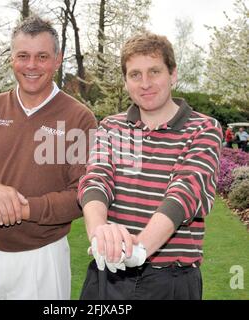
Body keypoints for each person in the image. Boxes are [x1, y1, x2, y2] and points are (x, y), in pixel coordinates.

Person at [0, 15, 97, 300]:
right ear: (11, 59)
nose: (31, 65)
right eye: (23, 56)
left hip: (44, 256)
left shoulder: (79, 118)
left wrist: (20, 207)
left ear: (57, 59)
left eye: (42, 56)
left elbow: (83, 194)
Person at [77, 32, 223, 300]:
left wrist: (139, 249)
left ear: (173, 74)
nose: (145, 83)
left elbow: (185, 192)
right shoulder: (111, 127)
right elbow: (96, 179)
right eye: (135, 74)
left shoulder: (204, 128)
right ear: (125, 82)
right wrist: (100, 233)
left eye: (154, 71)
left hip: (171, 282)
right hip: (107, 275)